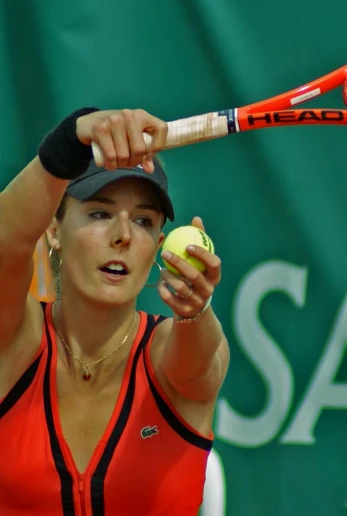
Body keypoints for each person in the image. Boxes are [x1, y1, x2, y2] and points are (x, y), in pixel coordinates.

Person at [0, 108, 230, 515]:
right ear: (54, 230)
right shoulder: (16, 341)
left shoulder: (168, 352)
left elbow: (200, 364)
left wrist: (197, 312)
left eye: (143, 220)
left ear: (158, 245)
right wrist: (67, 141)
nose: (123, 235)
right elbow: (6, 243)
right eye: (101, 213)